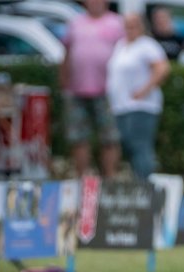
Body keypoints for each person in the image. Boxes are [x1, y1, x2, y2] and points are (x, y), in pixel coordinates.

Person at [59, 0, 124, 178]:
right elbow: (66, 52)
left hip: (108, 91)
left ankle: (109, 179)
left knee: (109, 137)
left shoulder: (117, 23)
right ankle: (82, 179)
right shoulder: (75, 22)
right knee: (78, 137)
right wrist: (64, 81)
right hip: (76, 89)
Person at [106, 13, 171, 179]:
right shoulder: (121, 45)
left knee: (140, 146)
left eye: (133, 25)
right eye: (127, 25)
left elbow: (162, 69)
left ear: (142, 26)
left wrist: (144, 89)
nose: (129, 29)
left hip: (141, 106)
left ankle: (146, 183)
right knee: (128, 146)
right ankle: (138, 181)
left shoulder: (147, 45)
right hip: (121, 107)